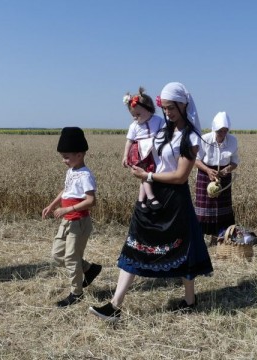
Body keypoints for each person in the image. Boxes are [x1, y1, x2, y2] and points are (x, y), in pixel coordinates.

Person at [89, 82, 213, 322]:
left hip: (174, 198)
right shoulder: (165, 129)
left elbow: (180, 176)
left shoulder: (191, 137)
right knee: (136, 242)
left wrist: (148, 176)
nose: (167, 112)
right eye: (164, 108)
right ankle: (115, 305)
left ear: (183, 104)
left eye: (171, 107)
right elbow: (142, 136)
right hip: (152, 192)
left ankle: (190, 301)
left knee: (183, 248)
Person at [42, 127, 102, 307]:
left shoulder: (85, 175)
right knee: (57, 254)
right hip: (67, 221)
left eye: (66, 157)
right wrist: (52, 205)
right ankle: (90, 269)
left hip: (79, 222)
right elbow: (66, 190)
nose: (63, 161)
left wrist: (68, 210)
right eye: (62, 157)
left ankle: (76, 293)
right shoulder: (71, 171)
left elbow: (91, 201)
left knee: (71, 258)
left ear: (80, 154)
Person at [195, 111, 239, 245]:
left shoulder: (232, 140)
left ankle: (217, 238)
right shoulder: (205, 139)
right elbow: (195, 160)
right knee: (204, 209)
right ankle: (200, 240)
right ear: (214, 129)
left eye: (225, 130)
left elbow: (235, 162)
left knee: (221, 208)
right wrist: (208, 170)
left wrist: (226, 170)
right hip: (205, 174)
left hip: (223, 176)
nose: (223, 133)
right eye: (220, 131)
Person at [122, 87, 164, 211]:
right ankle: (151, 197)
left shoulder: (158, 120)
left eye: (138, 114)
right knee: (145, 174)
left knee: (145, 175)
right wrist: (125, 156)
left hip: (153, 151)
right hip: (139, 152)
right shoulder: (134, 126)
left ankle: (141, 200)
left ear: (149, 109)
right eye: (133, 115)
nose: (135, 118)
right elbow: (129, 141)